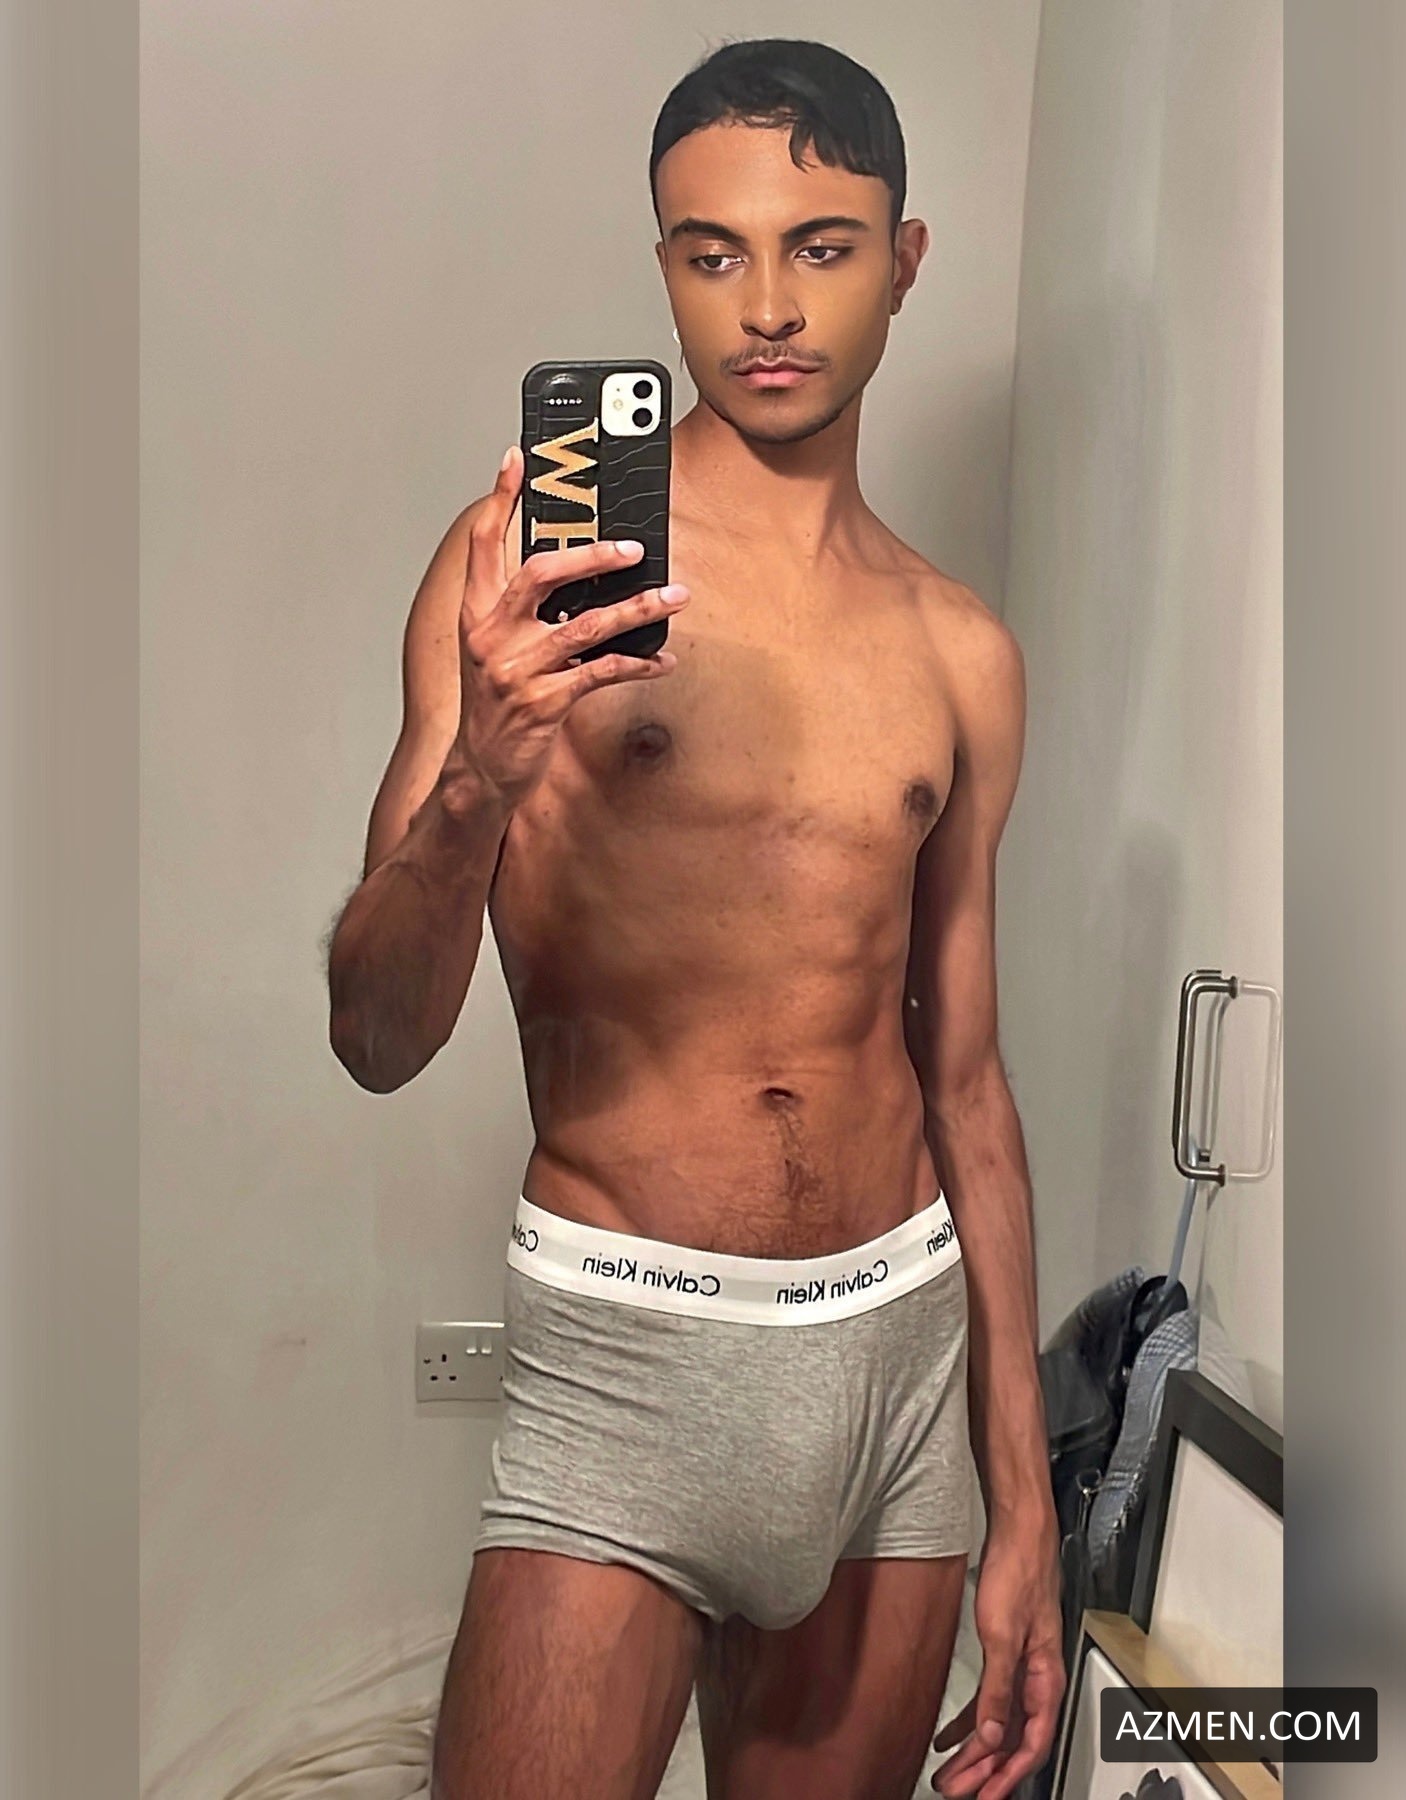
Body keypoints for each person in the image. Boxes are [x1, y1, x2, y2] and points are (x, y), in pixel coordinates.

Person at [326, 36, 1062, 1800]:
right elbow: (374, 1034)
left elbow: (966, 1081)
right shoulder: (526, 570)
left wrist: (1023, 1503)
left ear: (906, 260)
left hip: (897, 1373)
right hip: (628, 1359)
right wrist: (481, 778)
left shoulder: (961, 649)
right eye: (712, 251)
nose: (768, 308)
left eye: (823, 245)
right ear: (663, 263)